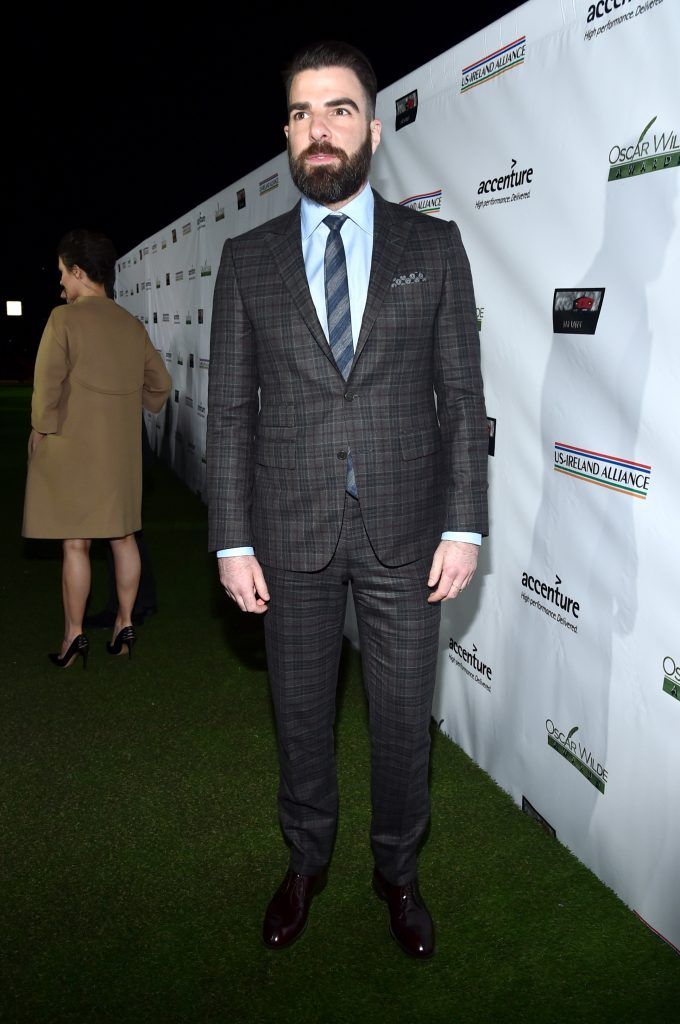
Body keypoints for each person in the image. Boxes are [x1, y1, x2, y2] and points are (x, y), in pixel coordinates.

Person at [207, 41, 488, 959]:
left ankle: (398, 872)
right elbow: (232, 413)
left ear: (372, 126)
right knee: (299, 716)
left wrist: (463, 522)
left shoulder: (432, 246)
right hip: (287, 536)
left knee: (405, 725)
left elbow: (462, 398)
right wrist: (230, 540)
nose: (316, 131)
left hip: (410, 535)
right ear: (287, 136)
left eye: (335, 110)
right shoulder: (245, 260)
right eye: (299, 114)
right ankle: (305, 862)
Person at [23, 229, 172, 668]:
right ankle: (124, 627)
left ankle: (74, 638)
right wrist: (135, 404)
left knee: (76, 544)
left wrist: (41, 430)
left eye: (63, 274)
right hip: (120, 453)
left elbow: (46, 387)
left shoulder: (62, 319)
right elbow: (161, 386)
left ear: (80, 271)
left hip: (72, 447)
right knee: (124, 538)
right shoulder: (131, 324)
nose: (61, 285)